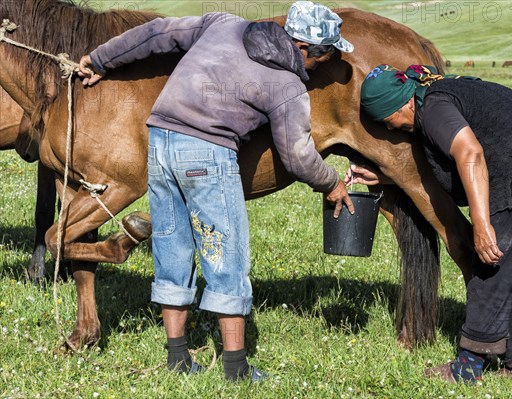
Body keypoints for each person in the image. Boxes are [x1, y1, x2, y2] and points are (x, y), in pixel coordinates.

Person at [78, 1, 355, 381]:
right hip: (207, 154)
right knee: (226, 255)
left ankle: (177, 359)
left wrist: (99, 59)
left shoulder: (225, 25)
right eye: (322, 58)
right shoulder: (287, 85)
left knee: (171, 246)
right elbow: (297, 155)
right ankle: (236, 368)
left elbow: (157, 34)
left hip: (159, 139)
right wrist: (332, 182)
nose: (317, 67)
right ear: (305, 48)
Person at [346, 64, 512, 383]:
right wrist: (382, 176)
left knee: (492, 263)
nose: (391, 128)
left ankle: (468, 365)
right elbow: (448, 171)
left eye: (387, 120)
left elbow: (470, 153)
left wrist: (480, 223)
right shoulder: (447, 91)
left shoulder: (433, 106)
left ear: (402, 103)